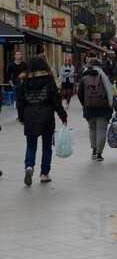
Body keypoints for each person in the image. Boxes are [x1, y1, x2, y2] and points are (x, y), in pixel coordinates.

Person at [17, 56, 67, 186]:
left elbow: (20, 102)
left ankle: (29, 166)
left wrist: (22, 117)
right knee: (46, 147)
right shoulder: (49, 80)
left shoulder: (24, 81)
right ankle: (44, 174)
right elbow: (56, 100)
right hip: (46, 116)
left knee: (31, 145)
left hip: (29, 116)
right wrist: (63, 116)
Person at [78, 58, 113, 161]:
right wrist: (110, 104)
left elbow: (79, 93)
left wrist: (85, 104)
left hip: (89, 108)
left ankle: (93, 150)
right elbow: (109, 91)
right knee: (101, 130)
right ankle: (99, 154)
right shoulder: (104, 76)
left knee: (92, 129)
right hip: (103, 108)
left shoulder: (84, 77)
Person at [8, 51, 27, 119]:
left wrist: (24, 76)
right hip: (16, 84)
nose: (19, 55)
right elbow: (8, 75)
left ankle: (24, 115)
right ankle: (20, 116)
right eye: (17, 54)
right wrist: (11, 84)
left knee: (24, 100)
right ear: (15, 56)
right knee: (18, 101)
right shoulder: (11, 65)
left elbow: (27, 72)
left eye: (20, 54)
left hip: (24, 84)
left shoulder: (24, 64)